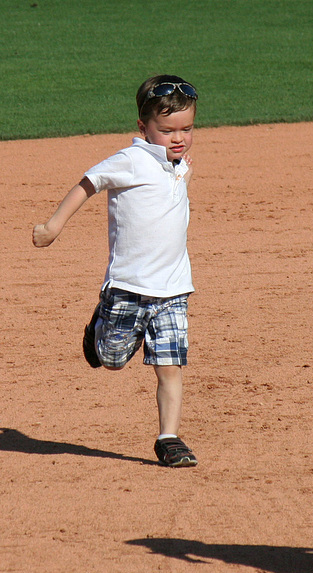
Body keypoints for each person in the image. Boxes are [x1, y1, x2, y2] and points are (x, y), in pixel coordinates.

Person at [33, 74, 200, 468]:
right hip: (127, 287)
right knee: (110, 358)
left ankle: (169, 438)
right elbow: (88, 183)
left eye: (187, 129)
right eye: (167, 130)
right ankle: (99, 326)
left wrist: (182, 174)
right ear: (143, 128)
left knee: (170, 367)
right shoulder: (130, 160)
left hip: (174, 290)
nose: (179, 138)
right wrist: (54, 226)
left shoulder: (177, 164)